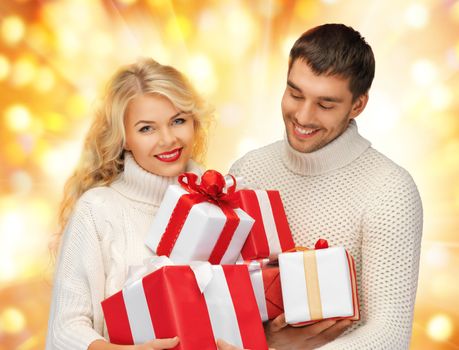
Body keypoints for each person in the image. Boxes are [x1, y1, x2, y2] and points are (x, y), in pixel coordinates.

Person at [230, 23, 423, 349]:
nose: (303, 116)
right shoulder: (248, 169)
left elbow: (389, 336)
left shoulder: (390, 191)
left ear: (358, 105)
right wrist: (265, 341)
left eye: (325, 104)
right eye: (295, 93)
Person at [46, 58, 215, 349]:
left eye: (178, 121)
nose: (168, 140)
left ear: (194, 122)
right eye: (147, 129)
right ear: (124, 138)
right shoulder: (98, 209)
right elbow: (65, 329)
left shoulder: (217, 201)